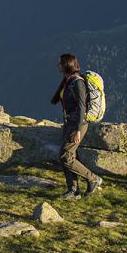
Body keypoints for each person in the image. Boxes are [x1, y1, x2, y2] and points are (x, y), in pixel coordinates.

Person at [50, 53, 102, 199]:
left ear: (67, 65)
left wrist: (78, 130)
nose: (58, 65)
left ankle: (92, 178)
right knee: (69, 156)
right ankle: (73, 190)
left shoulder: (77, 82)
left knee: (65, 156)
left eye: (60, 63)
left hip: (77, 124)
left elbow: (81, 108)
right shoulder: (68, 80)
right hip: (69, 122)